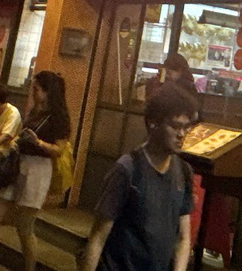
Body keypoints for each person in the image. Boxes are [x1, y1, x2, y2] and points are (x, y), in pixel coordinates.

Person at [79, 83, 197, 271]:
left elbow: (183, 238)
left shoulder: (183, 171)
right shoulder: (127, 169)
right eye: (175, 126)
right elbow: (98, 238)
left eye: (186, 127)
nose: (181, 134)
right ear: (153, 123)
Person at [0, 70, 72, 271]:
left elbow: (59, 150)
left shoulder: (59, 117)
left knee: (25, 228)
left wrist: (39, 142)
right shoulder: (35, 111)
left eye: (36, 89)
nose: (32, 93)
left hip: (38, 171)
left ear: (47, 91)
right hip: (17, 166)